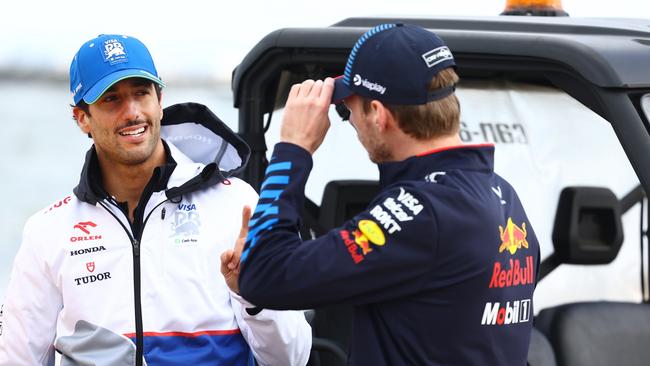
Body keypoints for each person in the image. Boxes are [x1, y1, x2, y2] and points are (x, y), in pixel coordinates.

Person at [237, 23, 540, 365]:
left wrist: (293, 147)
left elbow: (264, 275)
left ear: (379, 114)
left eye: (347, 109)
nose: (349, 121)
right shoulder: (502, 194)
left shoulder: (422, 210)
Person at [0, 34, 311, 365]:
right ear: (82, 118)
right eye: (111, 99)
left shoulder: (237, 204)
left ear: (159, 100)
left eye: (141, 93)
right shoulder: (49, 231)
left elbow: (291, 358)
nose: (132, 112)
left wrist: (252, 294)